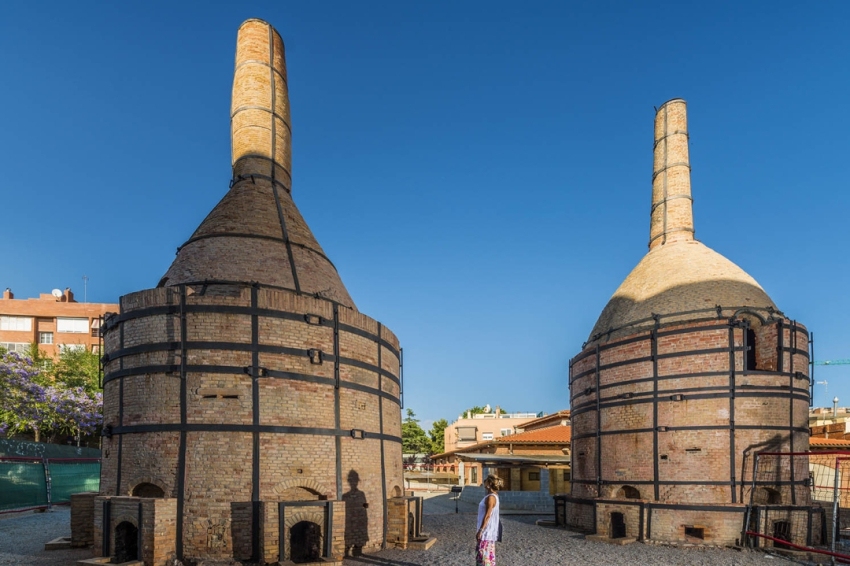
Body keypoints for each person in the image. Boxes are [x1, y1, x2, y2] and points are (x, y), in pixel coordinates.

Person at [476, 474, 502, 566]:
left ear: (490, 483)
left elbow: (488, 515)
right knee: (485, 559)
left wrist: (481, 530)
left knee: (484, 559)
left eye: (486, 480)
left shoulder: (491, 497)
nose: (484, 481)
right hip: (488, 533)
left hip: (486, 533)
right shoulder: (493, 495)